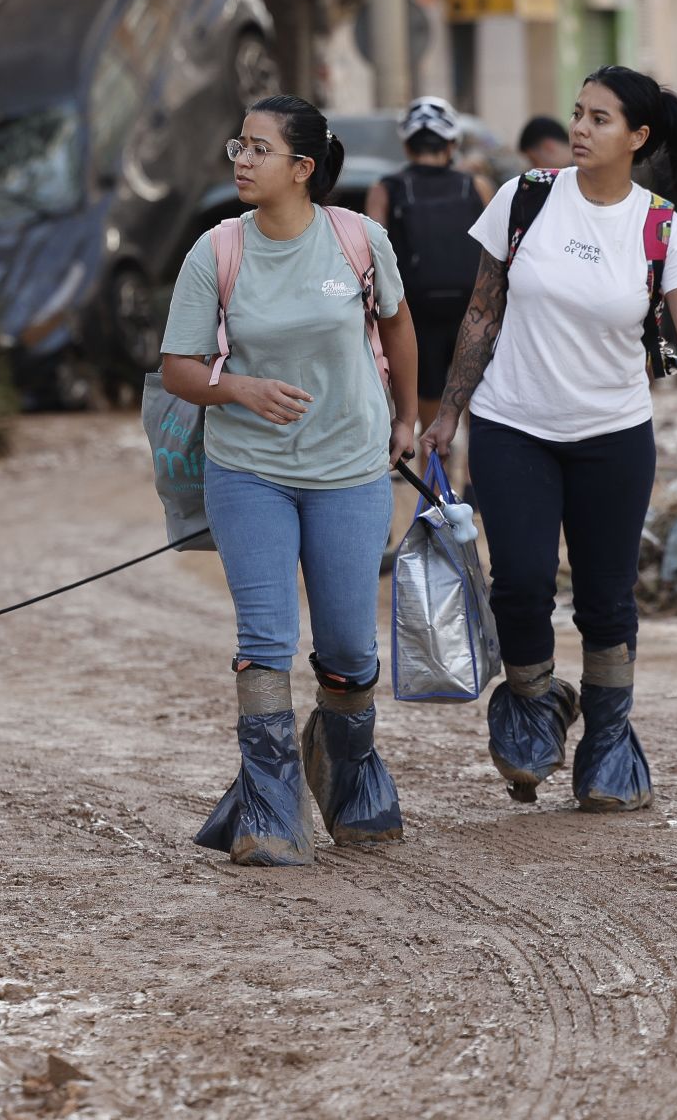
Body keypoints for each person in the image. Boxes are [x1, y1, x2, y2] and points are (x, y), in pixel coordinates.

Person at [421, 65, 677, 814]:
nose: (582, 128)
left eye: (601, 118)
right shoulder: (526, 197)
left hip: (613, 434)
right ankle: (533, 705)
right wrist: (448, 413)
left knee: (605, 598)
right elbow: (481, 312)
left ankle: (607, 740)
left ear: (638, 137)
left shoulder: (662, 227)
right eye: (578, 113)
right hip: (513, 426)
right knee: (522, 582)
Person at [159, 94, 419, 867]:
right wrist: (238, 388)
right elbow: (178, 367)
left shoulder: (359, 240)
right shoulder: (216, 251)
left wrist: (408, 417)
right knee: (264, 639)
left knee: (347, 646)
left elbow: (397, 323)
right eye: (239, 145)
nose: (242, 159)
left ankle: (347, 772)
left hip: (350, 468)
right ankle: (270, 809)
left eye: (259, 148)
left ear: (302, 168)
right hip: (249, 472)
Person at [364, 96, 494, 435]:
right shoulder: (475, 186)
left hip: (415, 313)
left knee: (428, 414)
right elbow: (498, 250)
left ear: (407, 145)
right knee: (477, 407)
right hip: (474, 311)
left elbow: (370, 251)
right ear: (452, 144)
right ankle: (473, 484)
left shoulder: (385, 188)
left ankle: (432, 484)